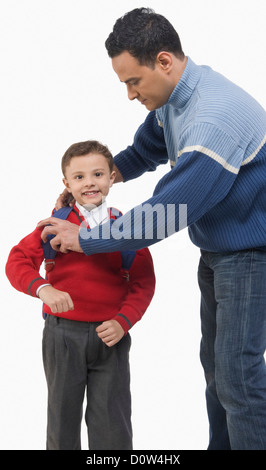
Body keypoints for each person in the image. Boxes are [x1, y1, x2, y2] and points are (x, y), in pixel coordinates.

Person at [37, 8, 266, 450]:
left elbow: (165, 213)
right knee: (218, 372)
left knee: (239, 378)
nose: (128, 94)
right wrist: (98, 181)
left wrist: (84, 238)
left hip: (250, 256)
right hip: (220, 251)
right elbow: (148, 147)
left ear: (163, 62)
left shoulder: (213, 120)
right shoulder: (176, 96)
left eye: (133, 81)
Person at [5, 139, 155, 450]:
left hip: (110, 336)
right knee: (62, 420)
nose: (89, 183)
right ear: (67, 183)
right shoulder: (52, 226)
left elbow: (143, 283)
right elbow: (16, 262)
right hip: (63, 336)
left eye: (98, 174)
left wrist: (123, 321)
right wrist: (43, 289)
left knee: (113, 424)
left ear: (111, 178)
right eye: (79, 177)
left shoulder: (127, 229)